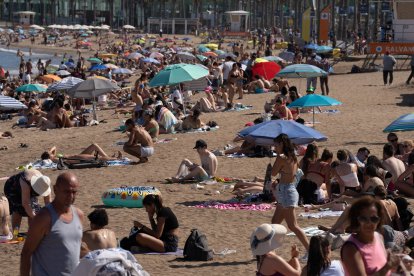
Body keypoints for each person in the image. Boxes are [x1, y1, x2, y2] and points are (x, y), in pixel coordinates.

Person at [20, 172, 84, 276]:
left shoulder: (79, 215)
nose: (71, 196)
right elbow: (26, 253)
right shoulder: (44, 218)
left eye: (74, 192)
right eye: (67, 192)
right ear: (55, 190)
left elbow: (78, 248)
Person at [341, 196, 400, 275]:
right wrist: (387, 267)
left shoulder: (379, 237)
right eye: (363, 218)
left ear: (379, 220)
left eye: (374, 219)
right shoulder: (350, 249)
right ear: (356, 220)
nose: (369, 223)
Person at [271, 134, 309, 251]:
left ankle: (310, 250)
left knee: (293, 226)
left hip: (287, 192)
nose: (274, 147)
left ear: (281, 144)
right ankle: (268, 251)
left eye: (276, 145)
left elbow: (273, 173)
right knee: (275, 223)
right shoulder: (292, 157)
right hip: (287, 190)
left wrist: (276, 158)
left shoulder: (281, 157)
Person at [41, 143, 122, 163]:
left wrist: (50, 151)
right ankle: (116, 159)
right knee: (96, 158)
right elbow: (67, 161)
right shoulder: (54, 159)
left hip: (78, 155)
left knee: (94, 145)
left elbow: (54, 147)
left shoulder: (53, 156)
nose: (52, 153)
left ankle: (108, 157)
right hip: (77, 158)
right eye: (50, 153)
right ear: (49, 157)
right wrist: (79, 161)